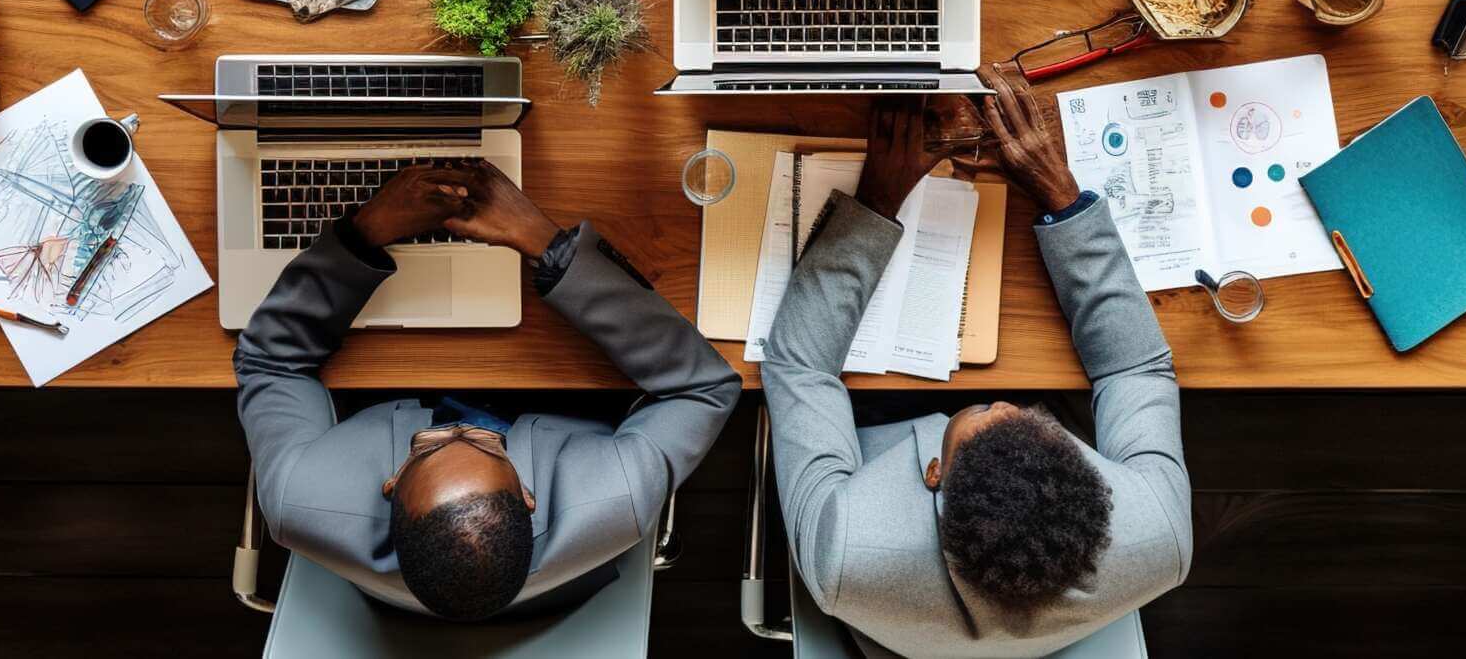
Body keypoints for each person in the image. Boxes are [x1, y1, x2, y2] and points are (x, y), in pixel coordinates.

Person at [764, 73, 1190, 657]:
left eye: (990, 412)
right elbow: (1135, 371)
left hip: (876, 458)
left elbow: (799, 367)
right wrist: (1064, 198)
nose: (1010, 403)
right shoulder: (1154, 533)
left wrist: (879, 201)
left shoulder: (849, 549)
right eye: (1031, 423)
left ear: (934, 474)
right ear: (1083, 472)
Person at [235, 161, 740, 621]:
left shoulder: (299, 497)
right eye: (482, 443)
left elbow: (268, 360)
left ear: (390, 486)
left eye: (430, 447)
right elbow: (703, 386)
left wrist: (364, 233)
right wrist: (546, 243)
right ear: (528, 495)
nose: (460, 427)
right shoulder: (617, 493)